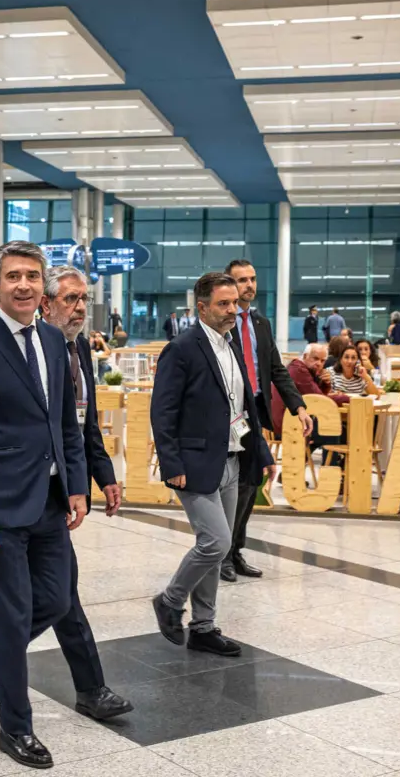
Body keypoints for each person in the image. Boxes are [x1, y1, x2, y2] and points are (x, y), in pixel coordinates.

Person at [0, 265, 132, 725]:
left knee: (52, 599)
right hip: (11, 497)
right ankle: (80, 692)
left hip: (56, 492)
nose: (79, 308)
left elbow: (79, 425)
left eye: (83, 300)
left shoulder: (69, 349)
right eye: (71, 299)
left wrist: (94, 479)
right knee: (41, 603)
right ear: (46, 301)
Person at [0, 241, 87, 770]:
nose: (24, 285)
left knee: (55, 601)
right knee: (13, 613)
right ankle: (15, 729)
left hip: (49, 500)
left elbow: (63, 422)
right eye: (13, 277)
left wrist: (75, 484)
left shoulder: (53, 340)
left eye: (32, 276)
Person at [150, 272, 274, 658]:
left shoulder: (231, 346)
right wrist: (171, 461)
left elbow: (244, 406)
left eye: (235, 303)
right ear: (201, 307)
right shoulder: (182, 349)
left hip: (233, 458)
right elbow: (162, 411)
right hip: (195, 462)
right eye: (223, 304)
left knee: (217, 548)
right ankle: (170, 600)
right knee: (216, 541)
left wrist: (263, 452)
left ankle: (203, 626)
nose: (232, 310)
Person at [222, 259, 311, 583]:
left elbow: (275, 369)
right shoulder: (222, 322)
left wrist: (297, 407)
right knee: (233, 485)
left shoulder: (261, 323)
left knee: (252, 482)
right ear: (229, 285)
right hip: (228, 412)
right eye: (242, 280)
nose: (249, 285)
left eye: (252, 278)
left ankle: (234, 551)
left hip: (254, 411)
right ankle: (222, 554)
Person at [272, 344, 351, 448]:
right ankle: (328, 463)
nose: (319, 363)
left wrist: (325, 383)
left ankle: (312, 458)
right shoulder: (299, 370)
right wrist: (350, 398)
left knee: (333, 427)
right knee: (335, 428)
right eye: (315, 358)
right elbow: (321, 400)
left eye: (323, 361)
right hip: (286, 423)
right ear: (305, 356)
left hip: (290, 418)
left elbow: (315, 398)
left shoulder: (303, 369)